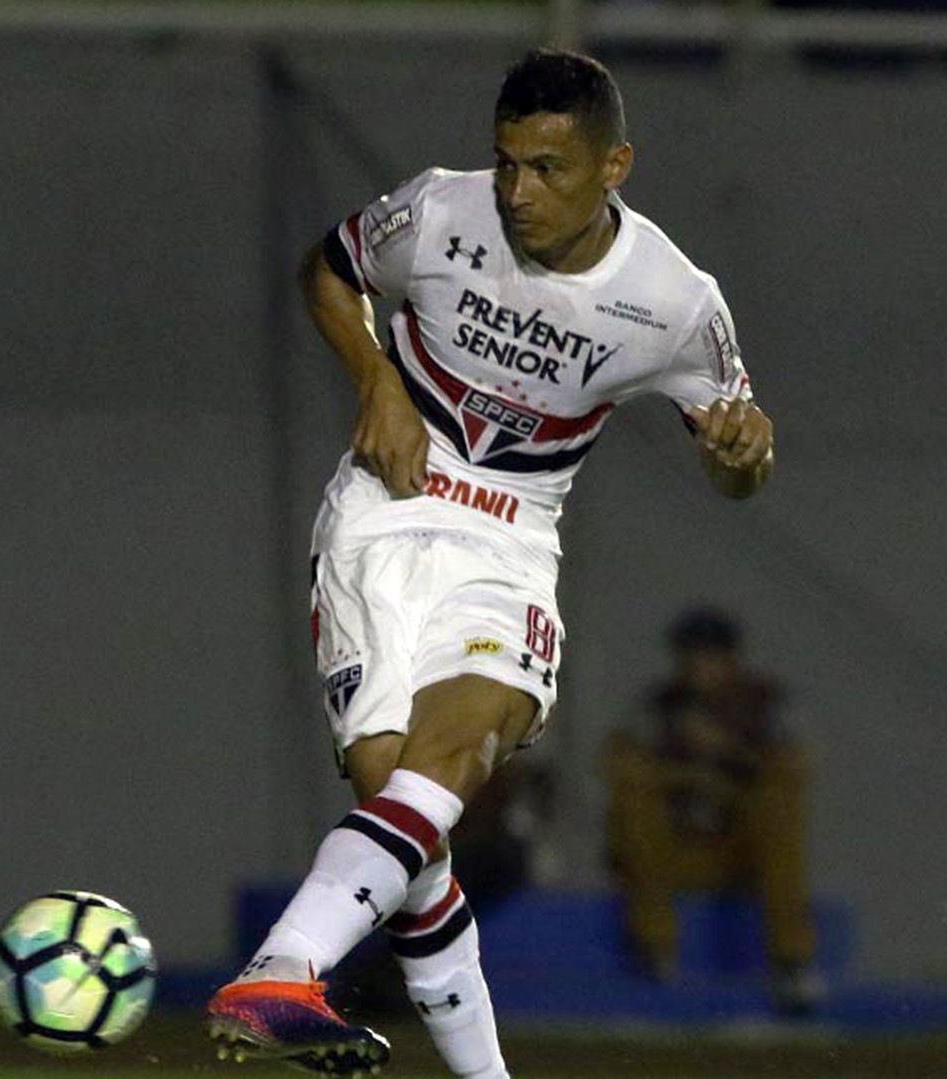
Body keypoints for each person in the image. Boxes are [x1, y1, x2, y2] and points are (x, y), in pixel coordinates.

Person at [204, 49, 774, 1078]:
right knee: (407, 837)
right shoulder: (438, 211)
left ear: (614, 167)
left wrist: (744, 456)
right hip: (379, 515)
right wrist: (375, 376)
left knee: (457, 756)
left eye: (548, 169)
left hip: (507, 542)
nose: (519, 192)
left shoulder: (676, 301)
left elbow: (736, 455)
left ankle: (280, 969)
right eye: (507, 163)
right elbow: (328, 272)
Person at [604, 608, 823, 1015]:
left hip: (744, 854)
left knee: (777, 807)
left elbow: (795, 767)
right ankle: (654, 948)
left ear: (732, 660)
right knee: (634, 805)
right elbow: (619, 764)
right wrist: (687, 776)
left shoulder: (763, 705)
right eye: (691, 656)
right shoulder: (660, 707)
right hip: (675, 848)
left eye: (710, 656)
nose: (700, 667)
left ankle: (791, 960)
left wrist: (726, 754)